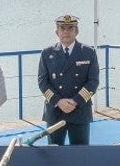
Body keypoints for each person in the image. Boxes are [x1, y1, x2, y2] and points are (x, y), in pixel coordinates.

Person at [37, 14, 99, 145]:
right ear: (56, 32)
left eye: (70, 28)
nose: (66, 31)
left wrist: (75, 102)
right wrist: (58, 101)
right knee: (54, 154)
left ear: (76, 31)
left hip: (79, 110)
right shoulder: (47, 53)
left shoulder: (88, 52)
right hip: (55, 111)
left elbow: (93, 81)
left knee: (80, 154)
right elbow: (42, 82)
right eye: (62, 28)